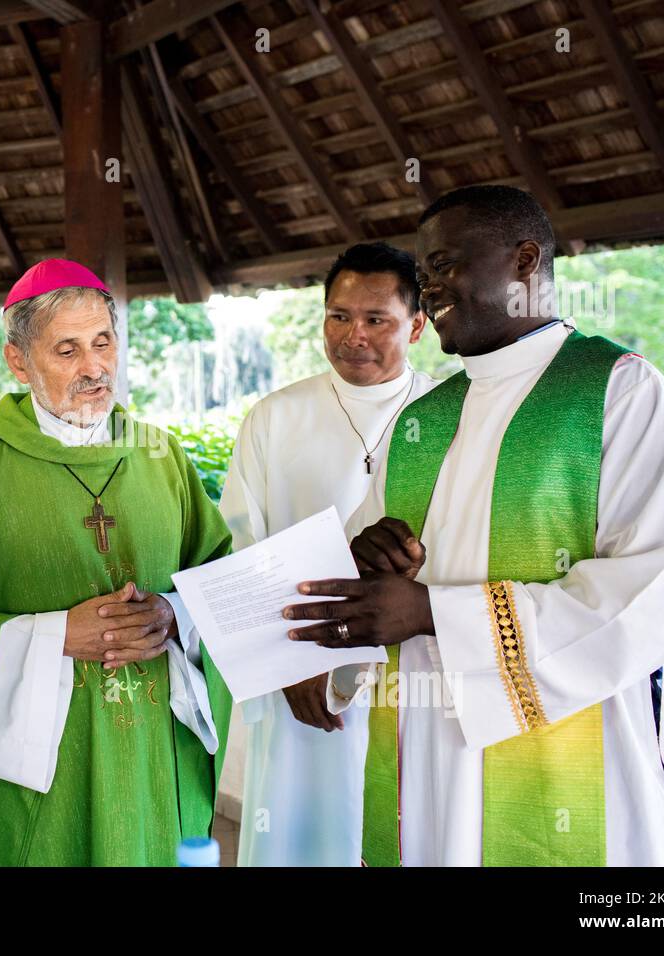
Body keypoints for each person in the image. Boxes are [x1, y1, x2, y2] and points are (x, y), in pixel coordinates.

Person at [287, 185, 664, 865]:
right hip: (419, 751)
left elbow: (650, 596)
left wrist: (435, 613)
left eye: (443, 265)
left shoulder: (619, 393)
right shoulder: (423, 418)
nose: (427, 288)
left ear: (525, 261)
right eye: (423, 272)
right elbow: (368, 579)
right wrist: (362, 557)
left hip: (564, 752)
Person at [0, 258, 231, 865]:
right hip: (34, 776)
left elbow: (220, 577)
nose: (94, 368)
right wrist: (53, 634)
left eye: (102, 343)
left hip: (149, 753)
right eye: (67, 350)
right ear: (19, 361)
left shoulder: (161, 458)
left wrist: (173, 614)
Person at [221, 241, 436, 866]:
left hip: (414, 673)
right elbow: (238, 549)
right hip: (300, 671)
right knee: (301, 835)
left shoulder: (450, 416)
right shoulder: (275, 418)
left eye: (377, 320)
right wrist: (288, 667)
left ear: (417, 325)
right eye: (338, 316)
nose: (353, 336)